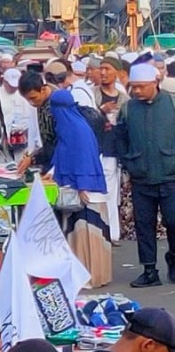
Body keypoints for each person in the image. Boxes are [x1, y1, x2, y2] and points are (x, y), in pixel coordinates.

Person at [115, 62, 175, 287]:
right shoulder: (128, 108)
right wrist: (127, 160)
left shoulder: (172, 102)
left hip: (171, 175)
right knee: (144, 225)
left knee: (173, 221)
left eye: (141, 87)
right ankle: (149, 270)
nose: (137, 91)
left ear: (155, 83)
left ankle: (173, 259)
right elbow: (120, 137)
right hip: (141, 176)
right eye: (133, 87)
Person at [50, 89, 110, 287]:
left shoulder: (74, 129)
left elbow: (84, 157)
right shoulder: (75, 125)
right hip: (82, 186)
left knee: (84, 234)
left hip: (84, 190)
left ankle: (87, 277)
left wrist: (82, 185)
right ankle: (91, 275)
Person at [94, 57, 128, 244]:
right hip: (97, 149)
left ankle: (112, 233)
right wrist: (100, 110)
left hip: (114, 151)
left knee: (111, 194)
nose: (103, 73)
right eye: (101, 69)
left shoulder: (124, 98)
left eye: (107, 69)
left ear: (117, 72)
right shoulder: (92, 94)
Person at [16, 71, 56, 175]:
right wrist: (32, 158)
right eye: (27, 99)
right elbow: (47, 143)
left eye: (33, 98)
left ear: (43, 89)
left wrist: (54, 170)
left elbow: (65, 143)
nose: (31, 103)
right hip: (48, 164)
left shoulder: (58, 104)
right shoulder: (40, 103)